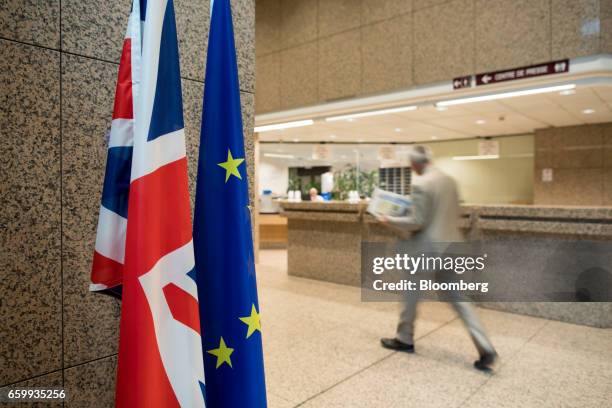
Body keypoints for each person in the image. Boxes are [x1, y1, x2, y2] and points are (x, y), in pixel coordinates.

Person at [377, 145, 498, 371]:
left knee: (411, 294)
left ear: (414, 164)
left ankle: (404, 338)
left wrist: (388, 219)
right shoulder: (450, 181)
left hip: (426, 249)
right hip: (451, 247)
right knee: (459, 298)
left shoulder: (421, 184)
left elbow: (417, 221)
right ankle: (485, 345)